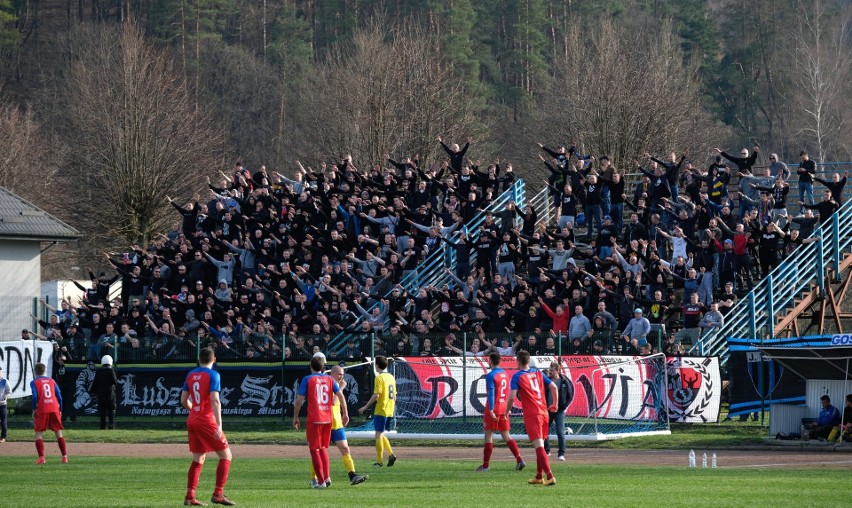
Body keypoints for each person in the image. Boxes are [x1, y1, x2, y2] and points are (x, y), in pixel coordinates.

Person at [180, 348, 235, 506]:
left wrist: (195, 411)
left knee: (198, 458)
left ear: (199, 359)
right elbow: (215, 400)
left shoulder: (190, 374)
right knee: (226, 456)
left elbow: (183, 400)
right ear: (214, 359)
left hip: (193, 420)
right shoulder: (214, 375)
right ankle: (218, 493)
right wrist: (219, 425)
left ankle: (190, 496)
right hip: (206, 421)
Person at [294, 352, 348, 489]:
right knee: (323, 448)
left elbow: (299, 400)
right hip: (327, 418)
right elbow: (340, 396)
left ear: (311, 366)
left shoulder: (308, 379)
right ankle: (327, 477)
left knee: (314, 449)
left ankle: (320, 482)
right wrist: (345, 413)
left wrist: (295, 417)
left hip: (314, 418)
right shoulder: (330, 379)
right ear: (323, 367)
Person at [309, 364, 368, 486]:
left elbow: (342, 401)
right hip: (324, 424)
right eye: (339, 374)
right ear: (333, 374)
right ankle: (315, 478)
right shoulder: (326, 384)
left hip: (337, 424)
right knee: (319, 452)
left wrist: (345, 414)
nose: (342, 376)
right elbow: (333, 401)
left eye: (343, 374)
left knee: (345, 449)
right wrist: (341, 388)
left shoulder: (336, 386)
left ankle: (352, 475)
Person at [506, 351, 557, 486]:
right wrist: (555, 404)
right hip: (544, 412)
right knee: (539, 445)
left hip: (533, 414)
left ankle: (550, 476)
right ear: (528, 361)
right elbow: (553, 386)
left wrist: (507, 411)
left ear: (518, 361)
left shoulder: (517, 376)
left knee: (539, 446)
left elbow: (512, 397)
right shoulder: (538, 372)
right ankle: (539, 476)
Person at [476, 352, 525, 472]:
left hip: (494, 407)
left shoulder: (490, 375)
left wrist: (491, 410)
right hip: (504, 408)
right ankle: (519, 459)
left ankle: (486, 465)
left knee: (488, 435)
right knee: (506, 435)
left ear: (491, 361)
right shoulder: (504, 374)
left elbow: (491, 393)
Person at [358, 355, 397, 468]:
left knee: (378, 435)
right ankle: (391, 455)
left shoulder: (379, 378)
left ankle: (379, 462)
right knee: (380, 433)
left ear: (376, 365)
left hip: (381, 408)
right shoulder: (391, 377)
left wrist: (365, 407)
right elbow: (394, 395)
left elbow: (377, 394)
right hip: (389, 408)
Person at [31, 362, 68, 464]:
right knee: (58, 432)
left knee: (38, 433)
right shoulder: (52, 381)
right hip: (54, 407)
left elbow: (34, 396)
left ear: (35, 371)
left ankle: (42, 458)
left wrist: (34, 409)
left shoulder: (34, 382)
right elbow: (59, 396)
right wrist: (60, 409)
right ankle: (64, 456)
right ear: (44, 370)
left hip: (42, 408)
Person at [543, 361, 572, 462]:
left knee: (560, 432)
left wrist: (564, 406)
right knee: (544, 431)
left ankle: (561, 453)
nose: (550, 372)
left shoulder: (564, 381)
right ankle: (547, 450)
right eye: (550, 370)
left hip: (559, 410)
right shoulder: (547, 380)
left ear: (557, 371)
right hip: (548, 410)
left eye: (552, 370)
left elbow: (570, 395)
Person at [91, 355, 118, 430]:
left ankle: (102, 426)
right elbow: (115, 381)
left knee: (102, 410)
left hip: (101, 393)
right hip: (110, 393)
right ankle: (111, 425)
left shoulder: (99, 371)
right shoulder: (111, 370)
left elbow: (95, 382)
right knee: (111, 409)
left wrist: (93, 391)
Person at [0, 367, 11, 442]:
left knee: (3, 421)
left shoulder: (5, 381)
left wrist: (5, 397)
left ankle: (3, 437)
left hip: (2, 404)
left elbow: (9, 392)